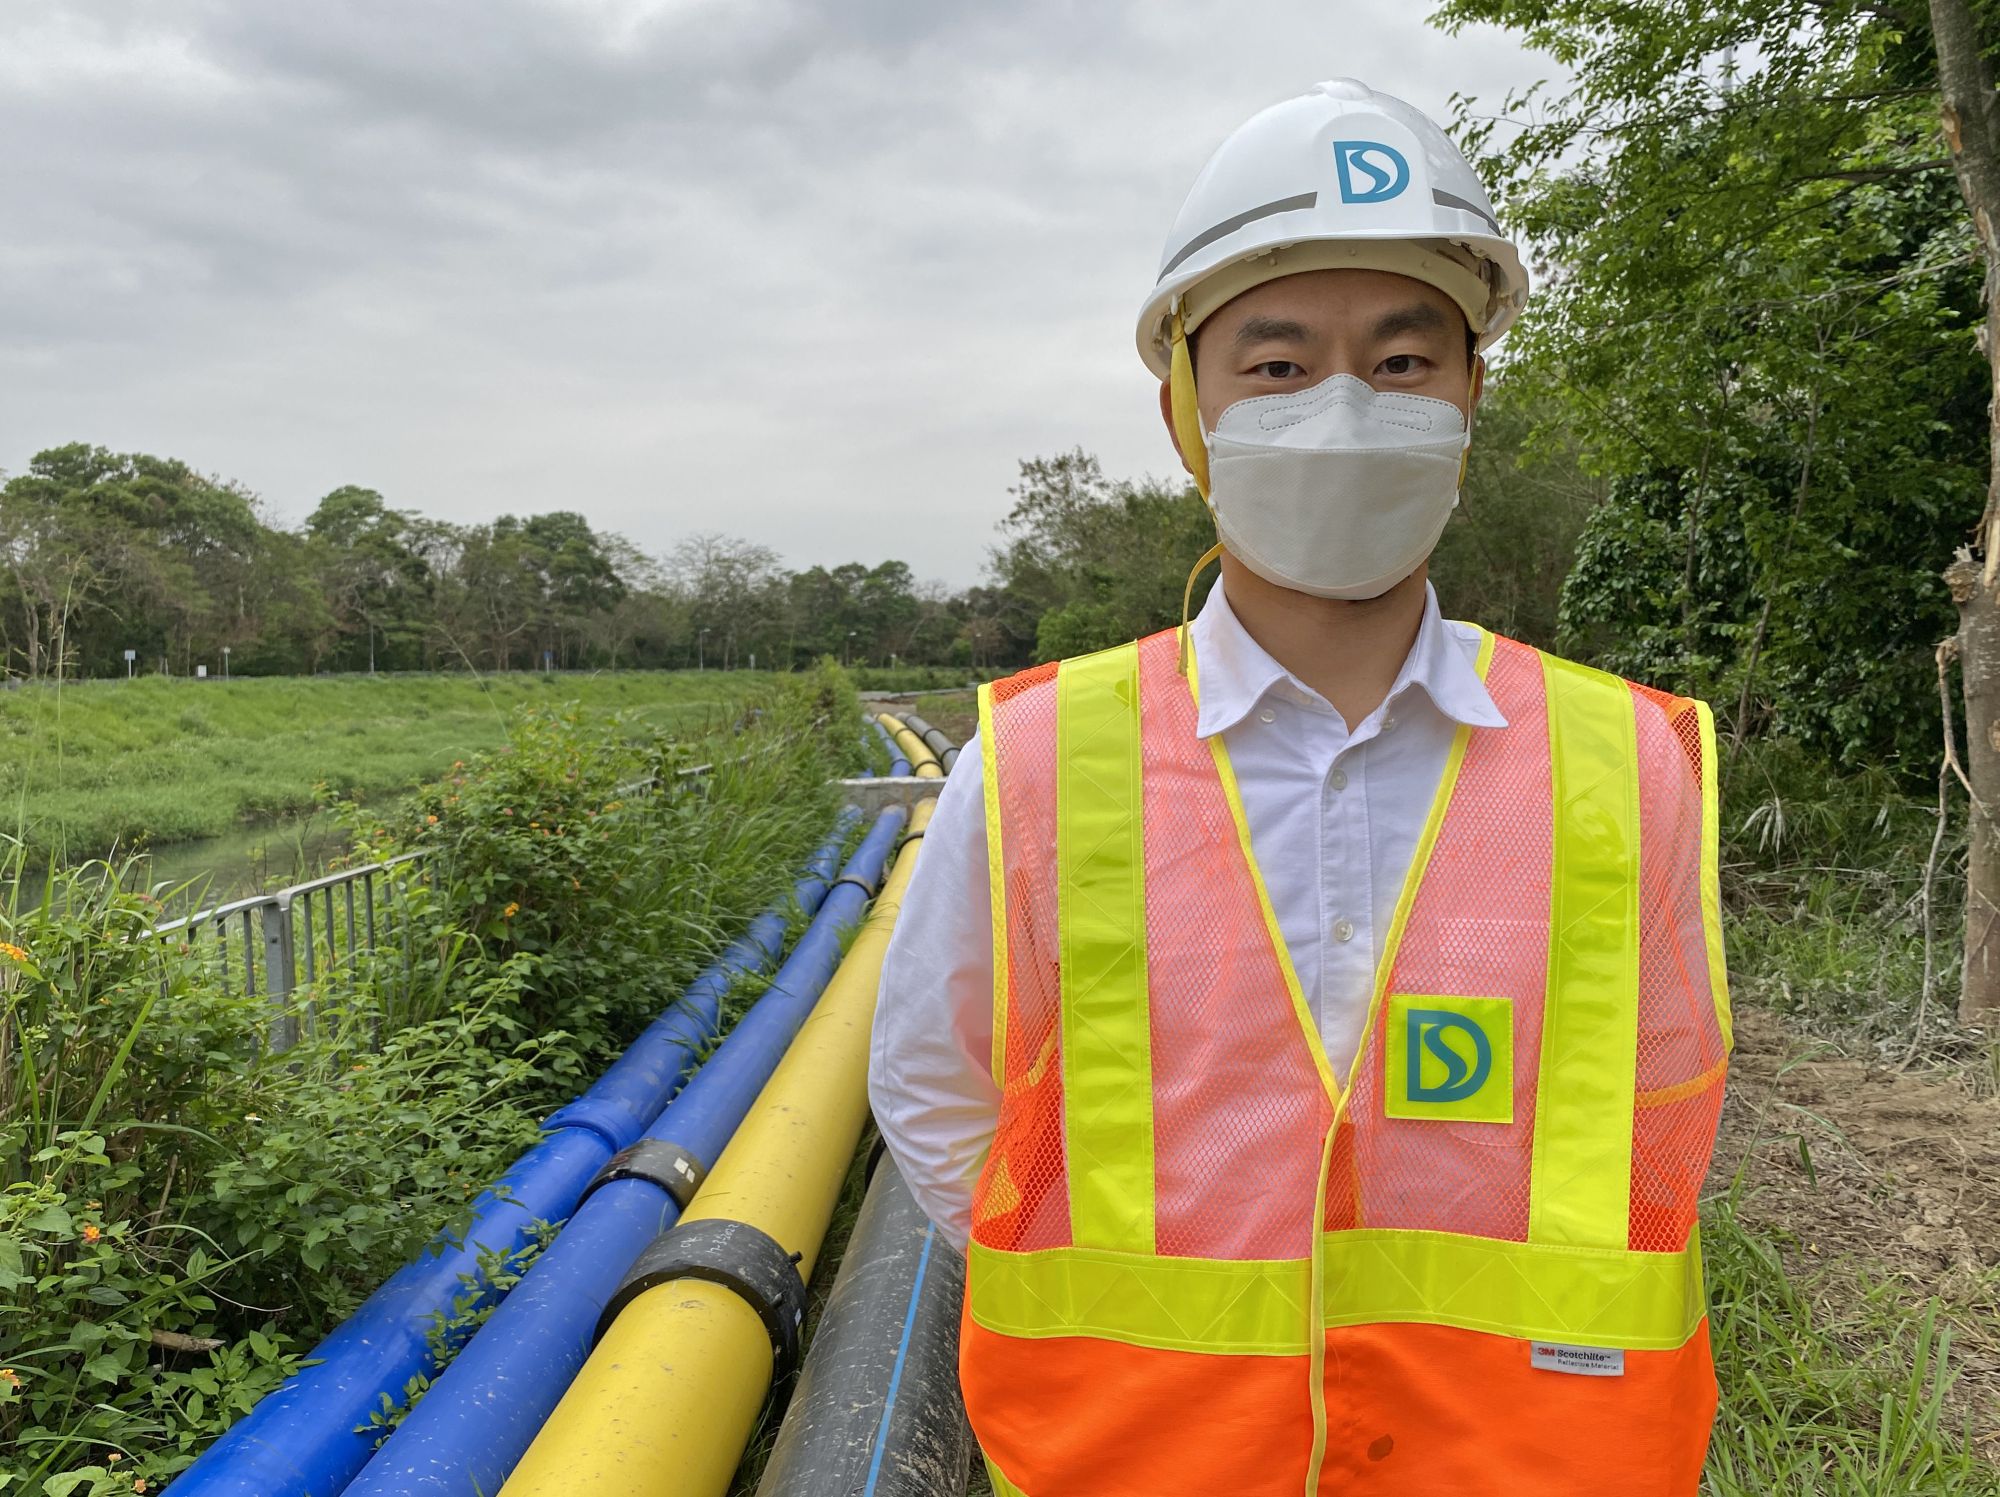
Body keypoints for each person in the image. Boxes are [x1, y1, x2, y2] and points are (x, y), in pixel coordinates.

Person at [868, 78, 1729, 1496]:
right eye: (1276, 366)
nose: (1343, 411)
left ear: (1469, 396)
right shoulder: (1033, 761)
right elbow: (936, 1096)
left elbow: (1663, 1114)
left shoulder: (1622, 763)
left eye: (1401, 362)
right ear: (1185, 411)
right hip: (1140, 1462)